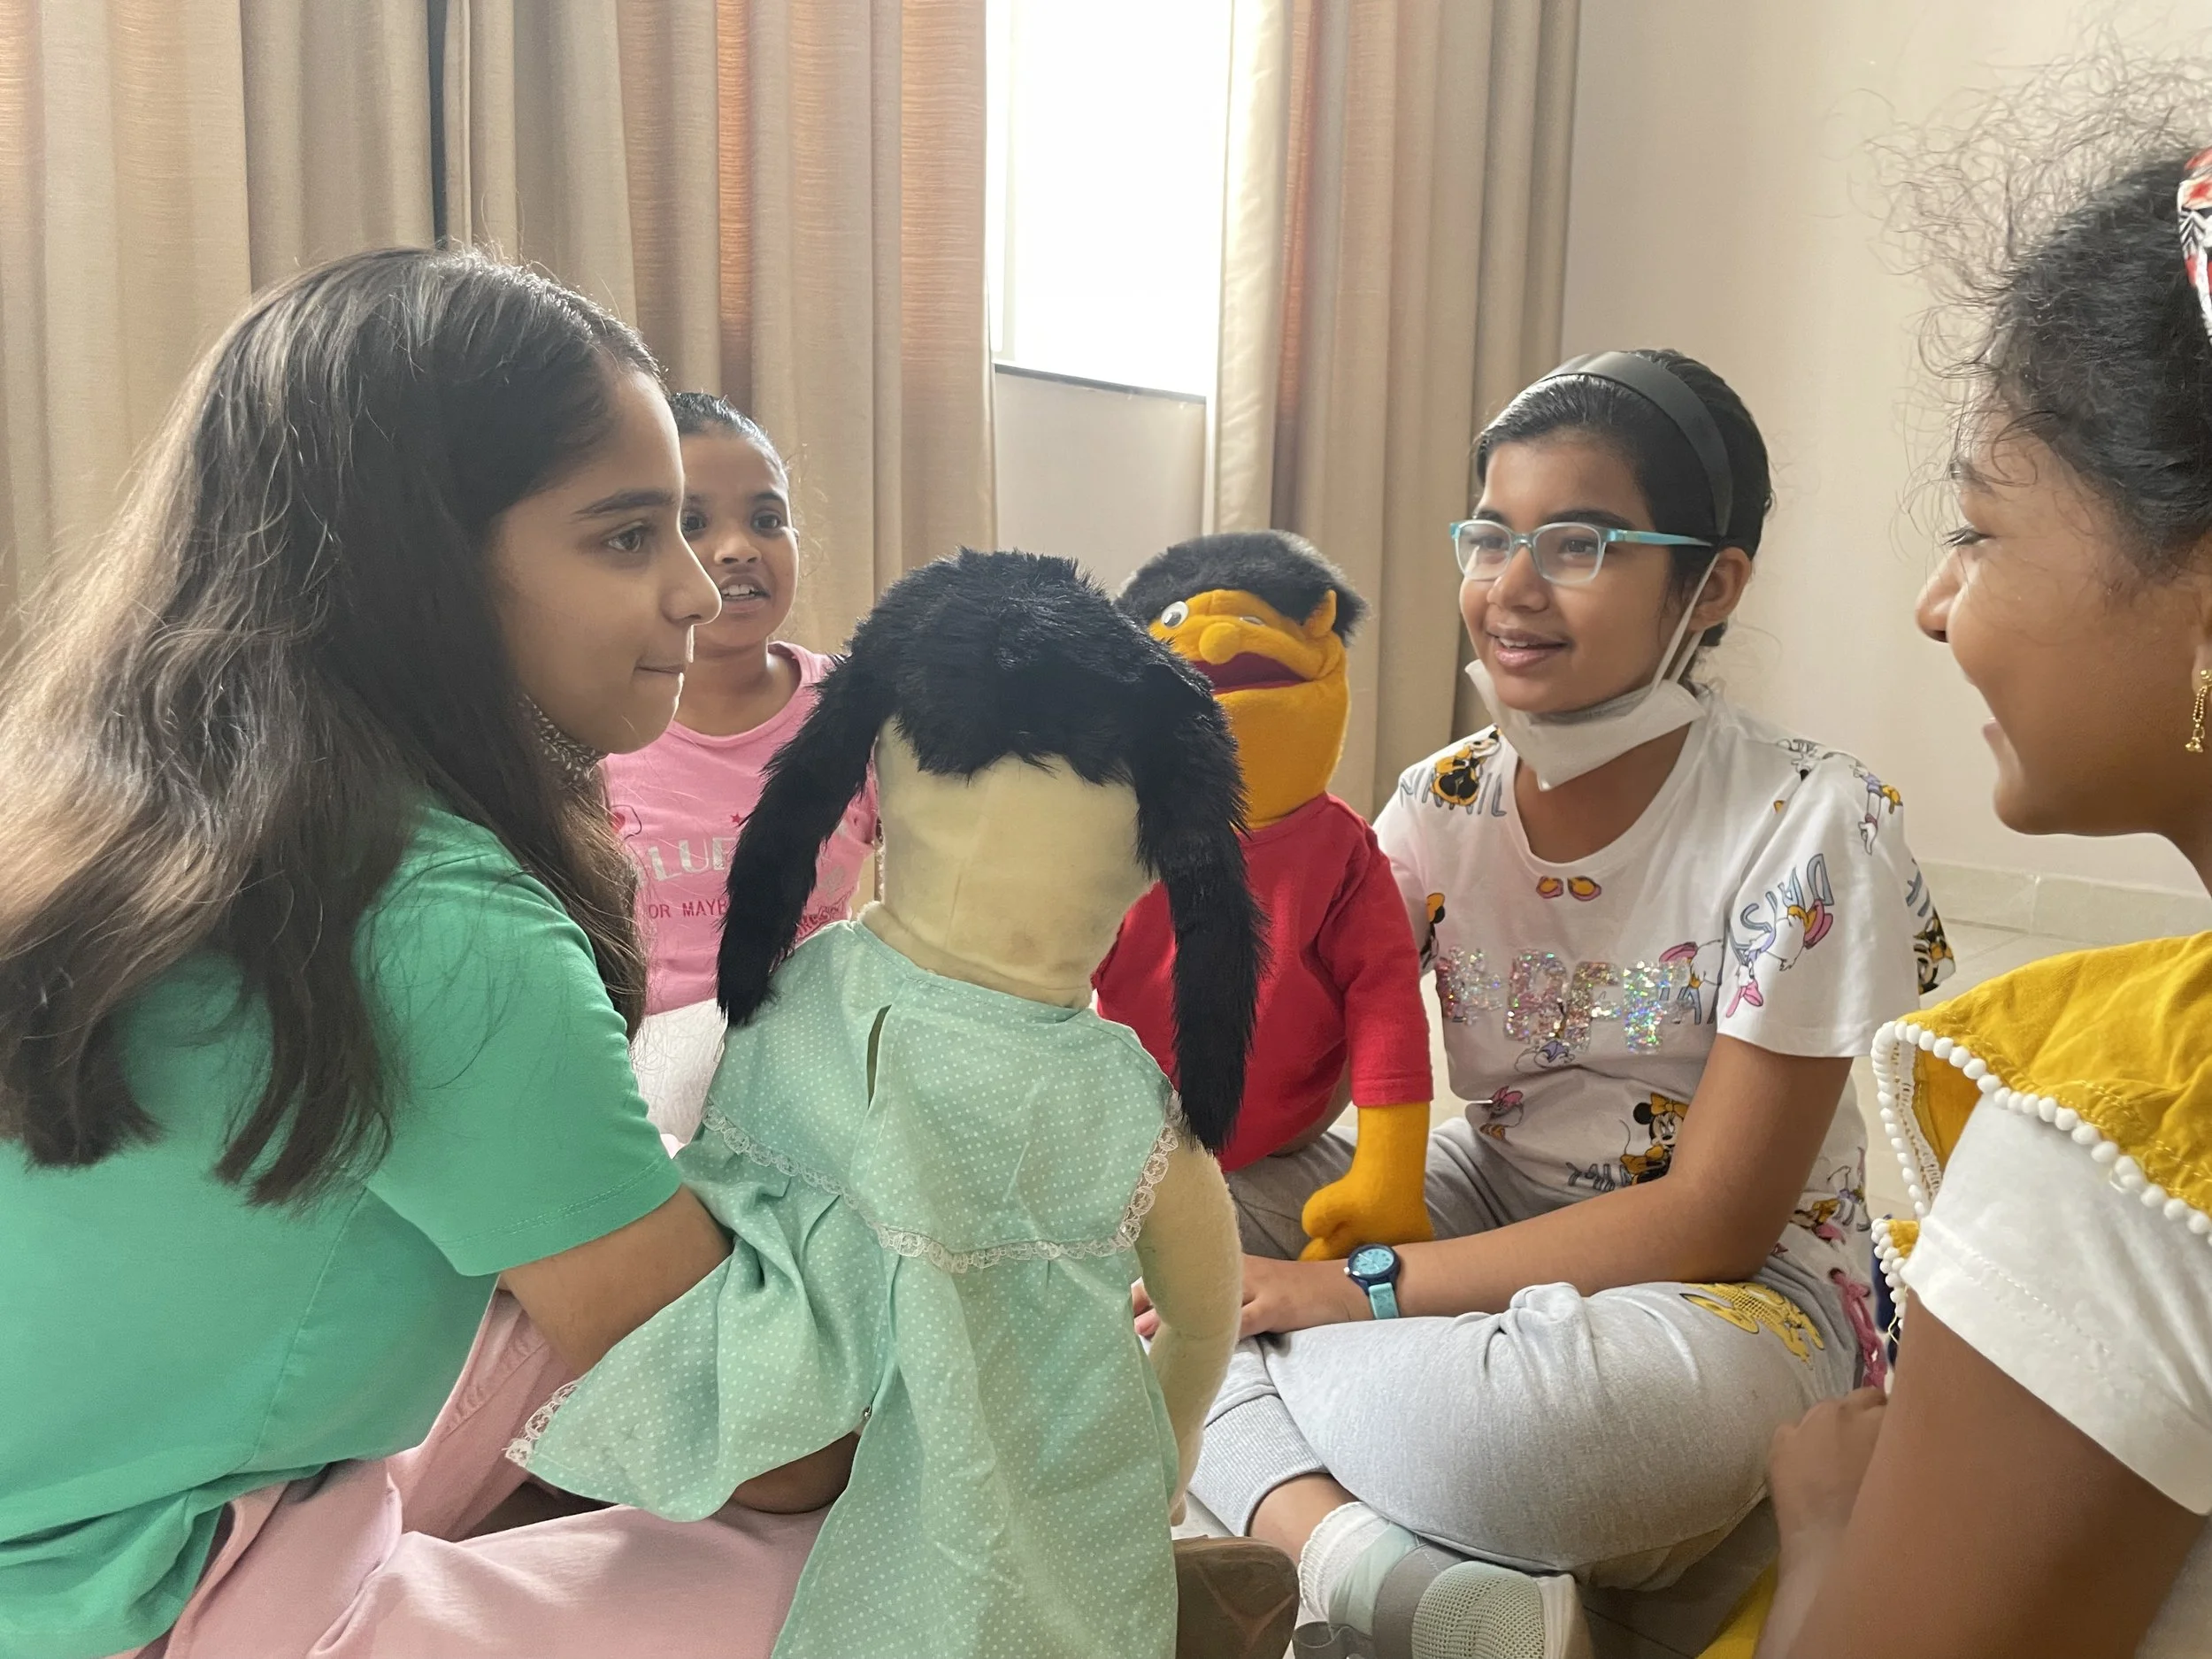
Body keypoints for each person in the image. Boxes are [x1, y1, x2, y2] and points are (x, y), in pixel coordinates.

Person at [0, 248, 827, 1659]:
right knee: (891, 1541)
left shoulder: (89, 798)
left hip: (114, 1532)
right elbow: (756, 1442)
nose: (697, 590)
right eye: (630, 537)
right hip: (139, 1599)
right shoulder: (431, 911)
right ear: (421, 570)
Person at [1164, 349, 1950, 1659]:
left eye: (1578, 542)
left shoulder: (1814, 819)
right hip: (1489, 1189)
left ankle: (1292, 1482)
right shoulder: (1442, 801)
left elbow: (1715, 1216)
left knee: (1516, 1440)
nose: (1509, 588)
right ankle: (1374, 1562)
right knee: (1125, 1228)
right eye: (1490, 535)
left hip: (1734, 1292)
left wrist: (1352, 1286)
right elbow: (1288, 1040)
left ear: (1713, 582)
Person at [1755, 93, 2212, 1659]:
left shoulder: (2126, 1139)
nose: (1938, 607)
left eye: (1979, 528)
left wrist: (1828, 1527)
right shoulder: (1438, 803)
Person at [605, 392, 877, 1025]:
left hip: (819, 1064)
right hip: (652, 1081)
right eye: (694, 522)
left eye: (766, 518)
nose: (738, 548)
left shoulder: (857, 707)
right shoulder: (598, 724)